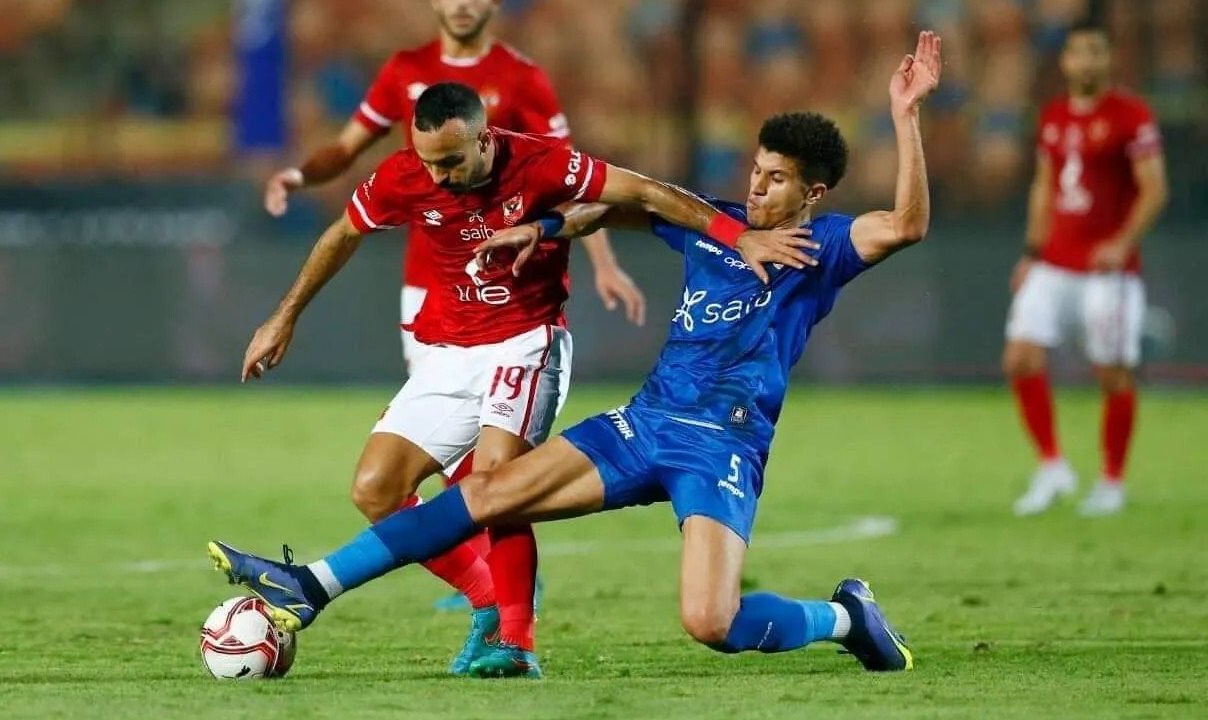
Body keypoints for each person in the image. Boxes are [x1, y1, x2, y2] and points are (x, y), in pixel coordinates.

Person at [211, 32, 941, 679]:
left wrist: (905, 116)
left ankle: (846, 618)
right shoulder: (717, 223)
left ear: (813, 192)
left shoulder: (826, 246)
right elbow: (617, 205)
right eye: (755, 169)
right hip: (645, 423)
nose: (756, 185)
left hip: (721, 444)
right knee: (491, 493)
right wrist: (547, 229)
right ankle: (313, 585)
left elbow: (906, 225)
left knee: (711, 622)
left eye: (776, 179)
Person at [262, 0, 645, 374]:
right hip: (427, 281)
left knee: (502, 410)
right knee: (435, 410)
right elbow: (346, 147)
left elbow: (571, 178)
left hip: (505, 288)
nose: (461, 5)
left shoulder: (521, 77)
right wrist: (300, 177)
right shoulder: (405, 69)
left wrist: (604, 263)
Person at [1005, 20, 1168, 517]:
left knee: (1112, 372)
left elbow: (1154, 189)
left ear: (1109, 58)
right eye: (1079, 52)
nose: (1087, 61)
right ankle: (1053, 467)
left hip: (1107, 271)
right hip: (1055, 261)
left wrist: (1122, 243)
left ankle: (1112, 481)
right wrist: (1032, 252)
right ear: (1065, 60)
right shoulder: (1053, 116)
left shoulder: (1131, 115)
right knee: (1020, 358)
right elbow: (1044, 187)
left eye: (1096, 51)